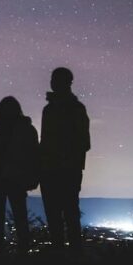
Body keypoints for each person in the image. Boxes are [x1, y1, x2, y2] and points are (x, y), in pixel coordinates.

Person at [0, 96, 39, 253]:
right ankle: (11, 252)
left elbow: (33, 156)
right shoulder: (22, 130)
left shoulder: (12, 131)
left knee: (14, 218)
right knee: (11, 218)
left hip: (12, 179)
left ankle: (15, 252)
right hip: (5, 180)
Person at [40, 67, 90, 253]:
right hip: (60, 170)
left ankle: (66, 257)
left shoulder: (73, 109)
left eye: (55, 79)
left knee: (66, 214)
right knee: (62, 214)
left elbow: (83, 142)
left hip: (64, 170)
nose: (52, 83)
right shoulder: (52, 109)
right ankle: (64, 256)